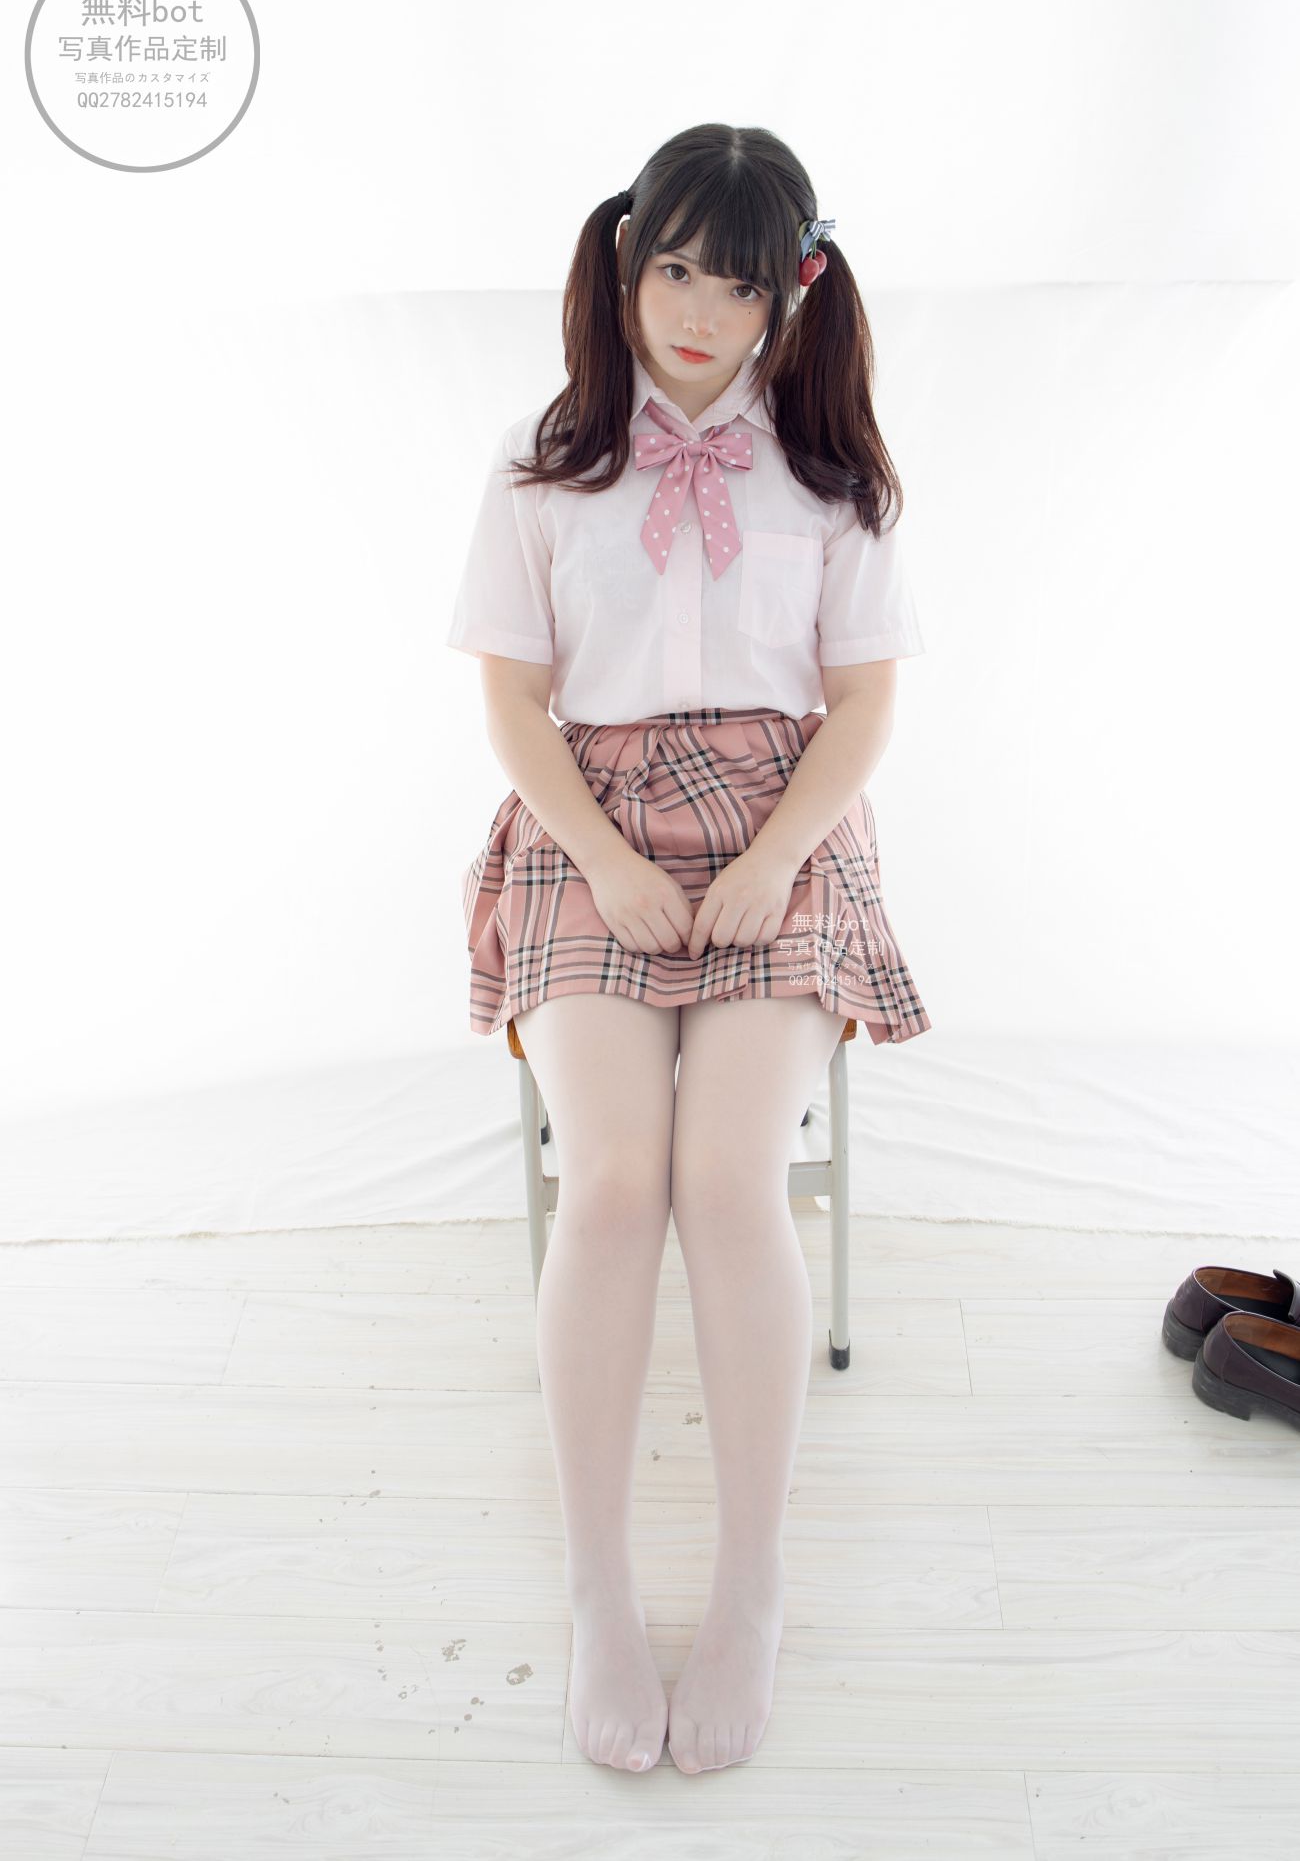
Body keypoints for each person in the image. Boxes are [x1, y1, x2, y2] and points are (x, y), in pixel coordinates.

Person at [444, 123, 932, 1778]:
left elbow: (862, 706)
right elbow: (514, 703)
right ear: (624, 257)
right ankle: (598, 1585)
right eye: (672, 270)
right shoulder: (542, 458)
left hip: (786, 821)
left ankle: (749, 1584)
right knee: (613, 1179)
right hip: (584, 819)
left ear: (796, 285)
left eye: (737, 282)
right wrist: (603, 856)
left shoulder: (833, 468)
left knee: (727, 1177)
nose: (699, 314)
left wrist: (776, 854)